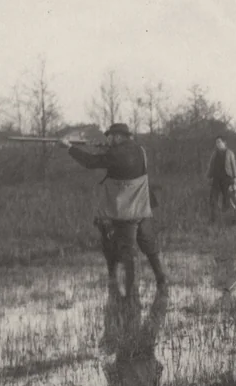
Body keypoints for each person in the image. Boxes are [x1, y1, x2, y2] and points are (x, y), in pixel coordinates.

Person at [59, 123, 168, 294]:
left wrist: (69, 147)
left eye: (109, 136)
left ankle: (132, 291)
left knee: (128, 250)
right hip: (143, 205)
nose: (107, 139)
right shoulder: (139, 149)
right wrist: (105, 148)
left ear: (118, 137)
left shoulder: (116, 153)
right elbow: (121, 162)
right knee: (149, 245)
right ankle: (161, 279)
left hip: (126, 210)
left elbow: (90, 162)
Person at [206, 135, 236, 223]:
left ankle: (230, 219)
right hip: (216, 179)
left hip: (227, 179)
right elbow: (211, 166)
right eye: (217, 143)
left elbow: (233, 166)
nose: (218, 144)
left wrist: (235, 177)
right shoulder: (214, 154)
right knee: (213, 198)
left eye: (220, 142)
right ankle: (213, 219)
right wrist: (209, 176)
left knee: (228, 199)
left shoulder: (230, 153)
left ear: (224, 143)